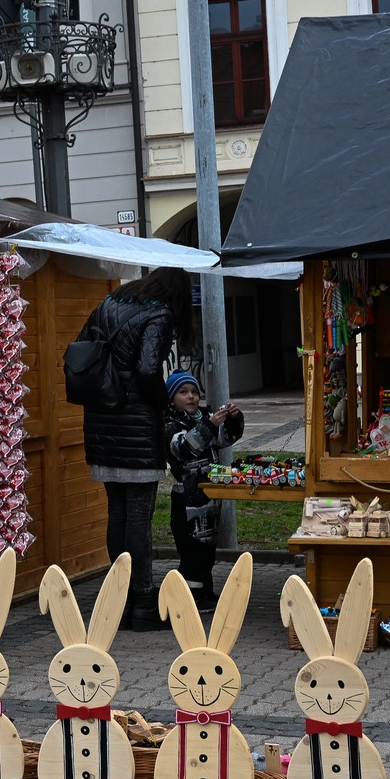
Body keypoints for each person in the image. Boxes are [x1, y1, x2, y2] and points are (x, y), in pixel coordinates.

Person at [77, 266, 190, 625]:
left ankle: (120, 597)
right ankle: (143, 600)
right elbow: (146, 368)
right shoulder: (160, 313)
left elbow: (82, 349)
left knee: (118, 513)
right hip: (137, 426)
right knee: (138, 518)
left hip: (102, 421)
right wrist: (164, 402)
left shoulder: (108, 303)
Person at [163, 370, 243, 607]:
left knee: (206, 548)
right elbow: (186, 447)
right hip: (185, 498)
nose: (191, 397)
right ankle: (189, 599)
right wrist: (209, 424)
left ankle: (204, 591)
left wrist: (233, 419)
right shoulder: (169, 423)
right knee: (192, 551)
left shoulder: (203, 417)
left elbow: (225, 438)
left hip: (208, 496)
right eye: (183, 392)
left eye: (195, 392)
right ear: (171, 399)